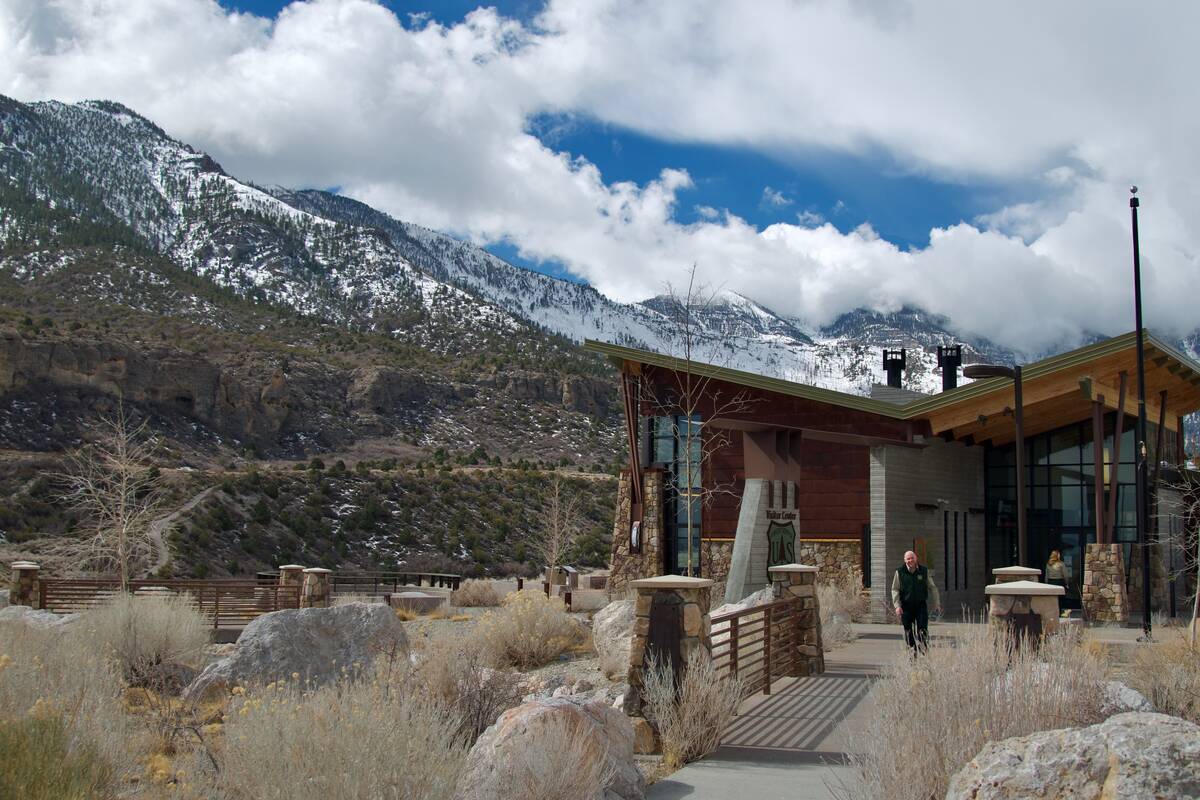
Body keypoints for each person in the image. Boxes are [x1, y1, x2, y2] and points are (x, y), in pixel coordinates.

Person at [891, 550, 941, 655]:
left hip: (920, 605)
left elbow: (932, 588)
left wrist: (937, 604)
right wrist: (897, 606)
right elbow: (895, 589)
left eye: (912, 558)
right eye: (908, 558)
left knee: (922, 629)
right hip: (906, 606)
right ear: (905, 560)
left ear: (916, 558)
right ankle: (912, 653)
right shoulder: (899, 572)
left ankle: (924, 651)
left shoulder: (924, 571)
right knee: (908, 631)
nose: (910, 560)